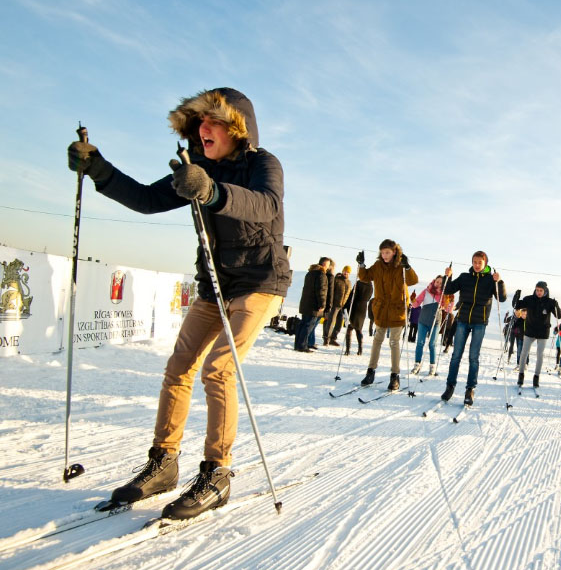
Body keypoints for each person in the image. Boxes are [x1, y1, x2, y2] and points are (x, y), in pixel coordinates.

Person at [67, 88, 290, 520]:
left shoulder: (264, 163)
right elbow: (149, 200)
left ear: (236, 128)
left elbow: (267, 206)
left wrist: (211, 193)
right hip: (214, 283)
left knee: (219, 368)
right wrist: (98, 169)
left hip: (260, 281)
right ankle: (164, 462)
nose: (204, 129)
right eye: (199, 123)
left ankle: (217, 473)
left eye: (214, 121)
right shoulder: (196, 167)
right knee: (179, 367)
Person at [440, 252, 506, 405]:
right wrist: (447, 276)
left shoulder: (490, 280)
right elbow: (449, 289)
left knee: (473, 357)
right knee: (456, 355)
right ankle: (450, 386)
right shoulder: (464, 277)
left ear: (485, 264)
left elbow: (501, 298)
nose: (477, 265)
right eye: (474, 262)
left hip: (479, 322)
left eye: (480, 262)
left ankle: (470, 389)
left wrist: (500, 282)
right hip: (462, 320)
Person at [357, 240, 419, 391]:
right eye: (383, 252)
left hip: (397, 310)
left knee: (394, 342)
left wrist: (408, 266)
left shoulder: (401, 266)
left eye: (388, 252)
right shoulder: (378, 266)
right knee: (377, 340)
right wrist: (362, 265)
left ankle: (395, 376)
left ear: (394, 252)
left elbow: (413, 280)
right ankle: (370, 371)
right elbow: (365, 277)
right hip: (381, 309)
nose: (385, 255)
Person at [515, 281, 561, 388]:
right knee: (524, 353)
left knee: (539, 355)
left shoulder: (550, 302)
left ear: (545, 291)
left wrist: (556, 306)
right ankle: (521, 375)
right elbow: (517, 306)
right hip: (530, 330)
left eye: (541, 290)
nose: (539, 292)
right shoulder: (529, 299)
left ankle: (536, 377)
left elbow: (559, 316)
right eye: (537, 290)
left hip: (543, 332)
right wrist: (516, 297)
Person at [410, 275, 447, 376]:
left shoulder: (444, 294)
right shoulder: (426, 291)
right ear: (434, 281)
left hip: (435, 322)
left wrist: (449, 302)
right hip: (423, 321)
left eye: (440, 283)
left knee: (432, 344)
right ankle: (417, 365)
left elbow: (447, 309)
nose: (438, 284)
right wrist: (412, 299)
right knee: (420, 343)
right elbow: (416, 304)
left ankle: (432, 367)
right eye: (437, 282)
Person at [295, 257, 330, 352]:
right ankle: (302, 346)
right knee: (308, 326)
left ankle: (297, 345)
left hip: (306, 303)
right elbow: (321, 291)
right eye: (328, 265)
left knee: (303, 324)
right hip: (314, 306)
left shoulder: (310, 273)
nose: (328, 267)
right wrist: (322, 305)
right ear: (324, 265)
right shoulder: (321, 275)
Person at [343, 277, 373, 356]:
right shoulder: (370, 285)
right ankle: (360, 349)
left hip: (355, 306)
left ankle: (347, 350)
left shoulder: (359, 283)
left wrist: (346, 305)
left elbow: (352, 295)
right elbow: (369, 297)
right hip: (363, 307)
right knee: (358, 328)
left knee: (349, 327)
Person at [323, 266, 351, 346]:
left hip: (342, 306)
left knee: (339, 323)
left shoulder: (349, 282)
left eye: (347, 272)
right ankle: (326, 339)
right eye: (344, 271)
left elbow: (348, 294)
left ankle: (333, 338)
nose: (346, 273)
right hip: (335, 304)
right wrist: (330, 303)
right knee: (331, 322)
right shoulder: (337, 280)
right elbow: (331, 291)